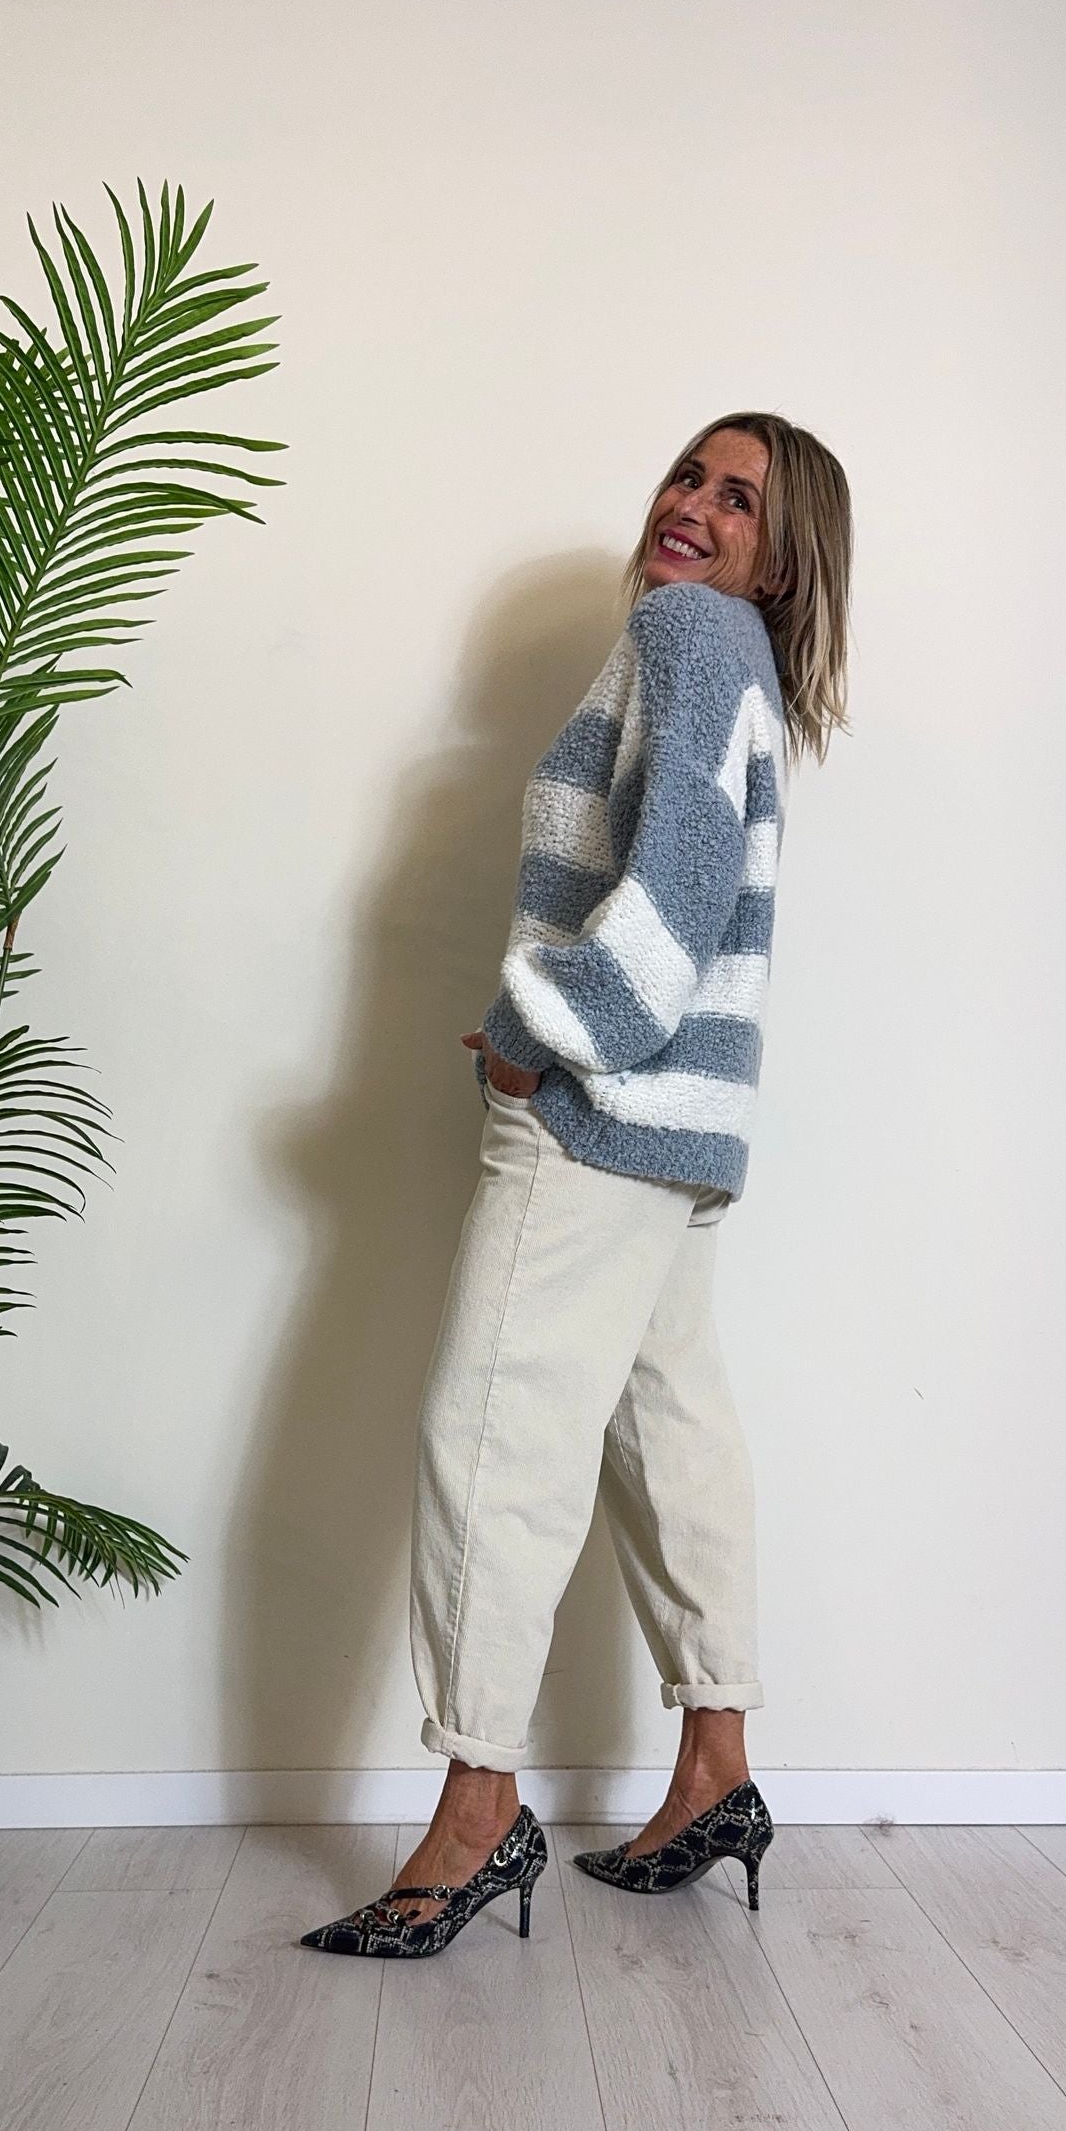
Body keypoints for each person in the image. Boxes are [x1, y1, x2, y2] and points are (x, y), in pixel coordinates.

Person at [302, 412, 853, 1959]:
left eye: (739, 500)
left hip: (602, 1113)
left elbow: (674, 891)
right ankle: (717, 1767)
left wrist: (541, 1039)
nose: (694, 507)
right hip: (685, 1124)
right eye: (690, 476)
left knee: (492, 1435)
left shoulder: (687, 635)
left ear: (783, 556)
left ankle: (478, 1812)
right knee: (666, 1425)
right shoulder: (736, 659)